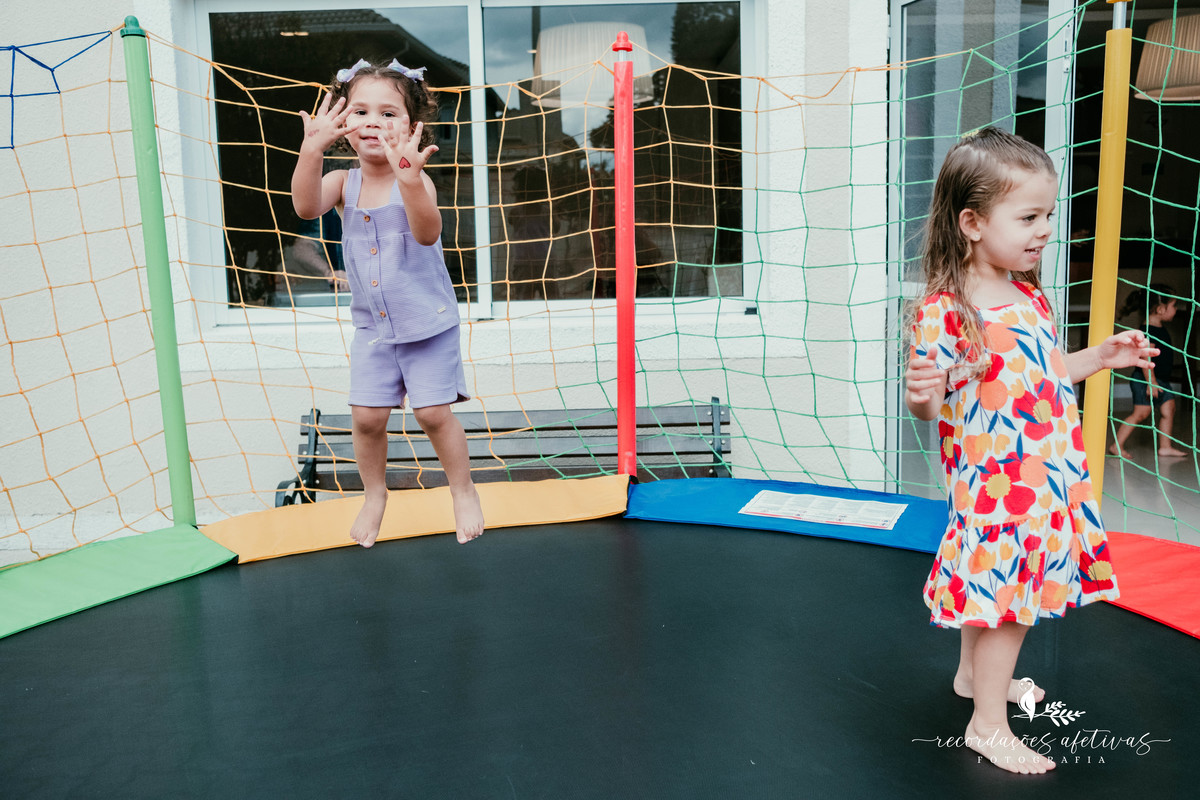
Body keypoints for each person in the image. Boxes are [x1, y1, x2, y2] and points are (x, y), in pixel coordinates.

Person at [904, 127, 1156, 774]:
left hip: (1046, 471)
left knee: (994, 590)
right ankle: (987, 725)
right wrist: (921, 394)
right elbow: (929, 406)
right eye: (1028, 217)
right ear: (972, 222)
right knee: (1009, 599)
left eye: (1048, 215)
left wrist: (1101, 357)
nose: (1043, 230)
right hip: (999, 482)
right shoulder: (947, 310)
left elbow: (1044, 372)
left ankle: (970, 676)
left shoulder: (1027, 291)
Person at [291, 58, 484, 546]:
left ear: (412, 127)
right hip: (373, 329)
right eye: (359, 111)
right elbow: (304, 206)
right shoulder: (342, 182)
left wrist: (411, 180)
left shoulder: (413, 178)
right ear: (343, 125)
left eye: (388, 113)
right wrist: (310, 152)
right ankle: (374, 494)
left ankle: (462, 490)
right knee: (367, 417)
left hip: (427, 324)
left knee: (433, 414)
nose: (372, 121)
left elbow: (427, 233)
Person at [1110, 284, 1187, 458]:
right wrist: (1150, 382)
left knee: (1169, 408)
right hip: (1145, 379)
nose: (1175, 309)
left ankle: (1165, 446)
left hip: (1160, 379)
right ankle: (1117, 445)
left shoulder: (1158, 328)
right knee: (1141, 414)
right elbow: (1146, 358)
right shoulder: (1148, 331)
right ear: (1160, 309)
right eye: (1173, 305)